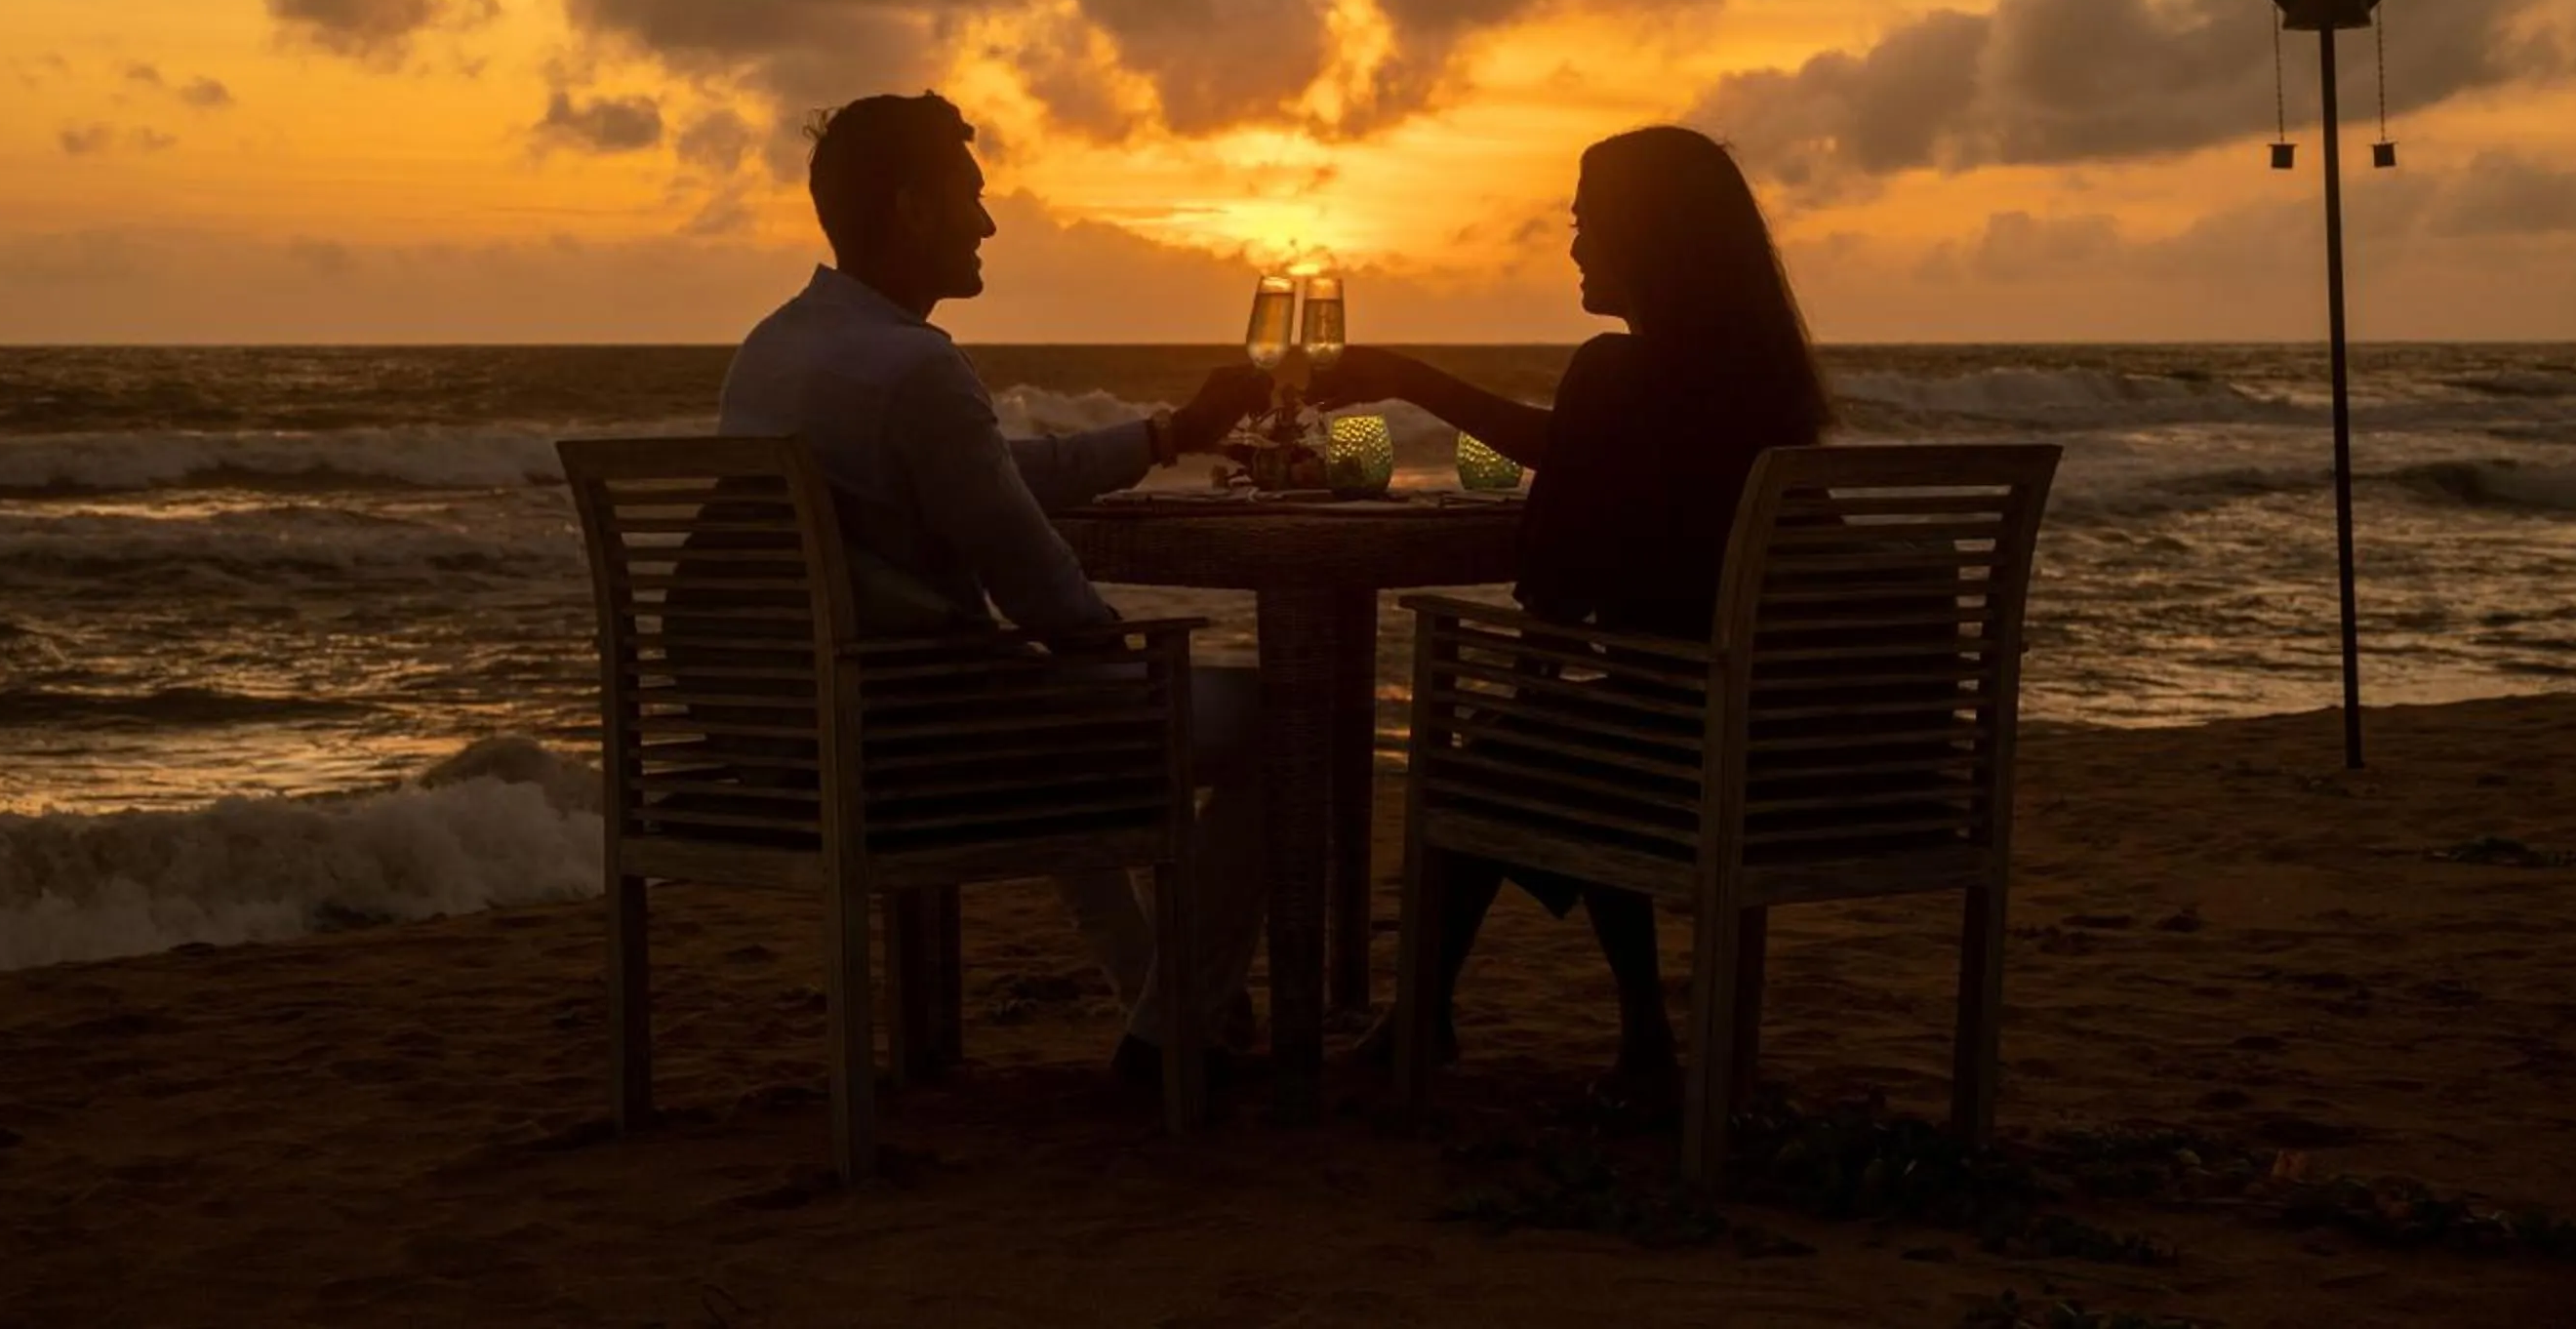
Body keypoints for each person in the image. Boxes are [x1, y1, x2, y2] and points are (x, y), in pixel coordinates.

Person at [718, 91, 1272, 1084]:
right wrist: (1125, 663)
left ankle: (1165, 1001)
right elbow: (1042, 588)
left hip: (797, 736)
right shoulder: (914, 366)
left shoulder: (772, 349)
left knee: (1053, 698)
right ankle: (1173, 1025)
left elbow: (991, 480)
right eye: (970, 198)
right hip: (920, 753)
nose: (988, 223)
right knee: (1277, 720)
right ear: (912, 209)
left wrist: (1165, 437)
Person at [1309, 124, 1834, 1117]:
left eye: (1587, 222)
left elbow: (1551, 582)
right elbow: (1580, 448)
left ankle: (1429, 1015)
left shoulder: (1619, 371)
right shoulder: (1755, 383)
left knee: (1509, 755)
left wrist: (1534, 668)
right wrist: (1414, 378)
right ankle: (1637, 1037)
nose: (1576, 246)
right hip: (1814, 757)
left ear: (1645, 236)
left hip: (1691, 762)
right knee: (1570, 732)